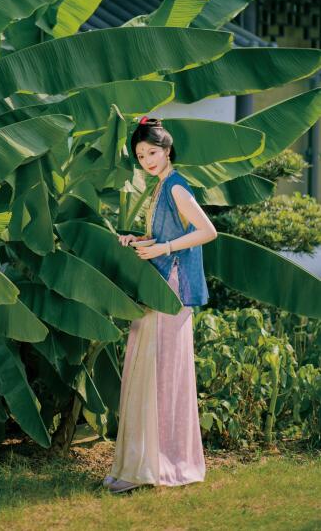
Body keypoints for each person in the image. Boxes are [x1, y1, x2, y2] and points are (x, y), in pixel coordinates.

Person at [104, 115, 218, 494]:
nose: (146, 160)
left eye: (152, 151)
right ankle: (148, 461)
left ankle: (160, 464)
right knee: (149, 369)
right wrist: (137, 239)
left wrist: (164, 247)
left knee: (161, 372)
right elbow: (163, 235)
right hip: (159, 284)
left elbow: (207, 231)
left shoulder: (176, 188)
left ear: (167, 150)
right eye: (140, 155)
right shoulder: (161, 187)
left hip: (172, 289)